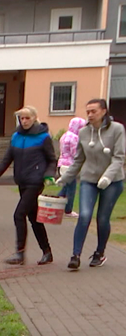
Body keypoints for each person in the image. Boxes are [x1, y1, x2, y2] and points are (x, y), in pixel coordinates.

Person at [57, 98, 126, 270]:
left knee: (102, 218)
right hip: (89, 179)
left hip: (112, 181)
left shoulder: (117, 129)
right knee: (85, 215)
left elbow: (119, 157)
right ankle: (76, 255)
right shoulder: (84, 132)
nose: (90, 115)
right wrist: (65, 178)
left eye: (93, 111)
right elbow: (79, 159)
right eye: (87, 111)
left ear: (104, 111)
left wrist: (108, 177)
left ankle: (99, 252)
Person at [0, 105, 56, 266]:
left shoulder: (43, 137)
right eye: (22, 118)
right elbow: (6, 160)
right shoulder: (16, 137)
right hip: (22, 182)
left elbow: (52, 159)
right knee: (34, 218)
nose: (24, 121)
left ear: (34, 118)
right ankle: (47, 252)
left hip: (35, 181)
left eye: (27, 118)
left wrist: (48, 174)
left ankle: (20, 254)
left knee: (19, 214)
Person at [57, 117, 86, 218]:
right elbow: (75, 153)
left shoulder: (64, 135)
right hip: (70, 165)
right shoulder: (74, 138)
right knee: (71, 189)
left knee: (65, 187)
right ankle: (67, 210)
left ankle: (57, 205)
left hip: (61, 164)